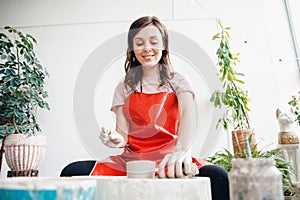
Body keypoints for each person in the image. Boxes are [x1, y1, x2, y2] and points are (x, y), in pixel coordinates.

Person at [61, 16, 229, 200]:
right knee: (72, 171)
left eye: (153, 42)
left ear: (164, 44)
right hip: (133, 163)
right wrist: (113, 138)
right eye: (139, 43)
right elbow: (122, 136)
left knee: (218, 176)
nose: (147, 48)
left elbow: (188, 114)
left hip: (170, 159)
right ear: (132, 48)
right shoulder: (124, 86)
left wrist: (182, 151)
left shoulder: (178, 80)